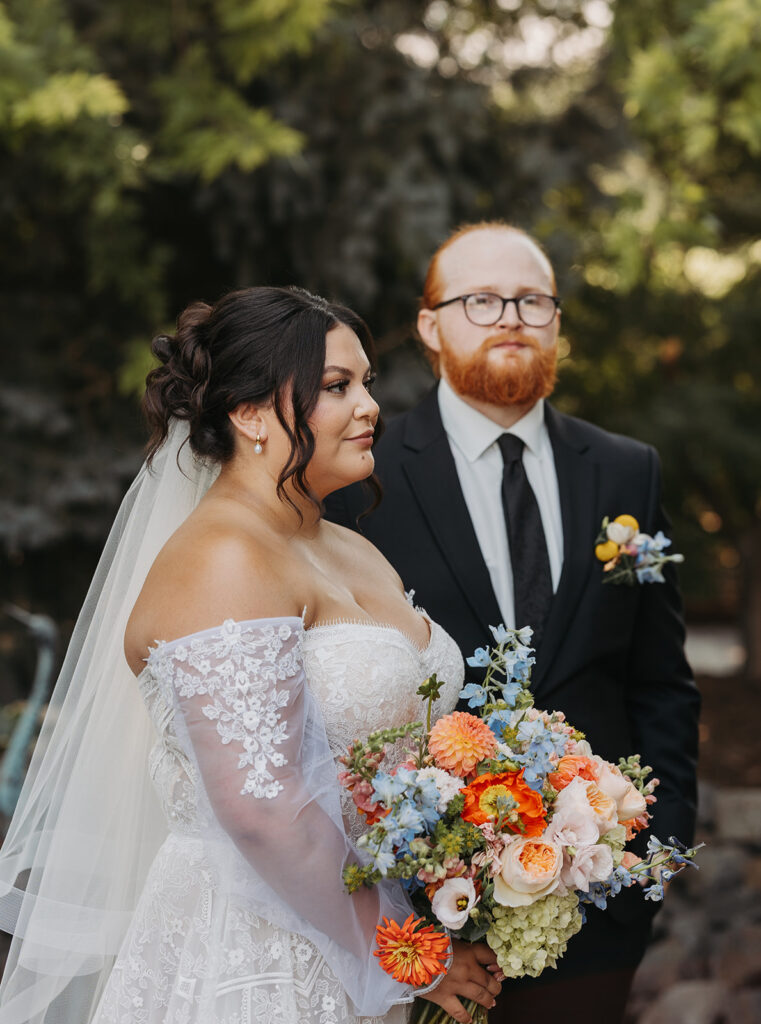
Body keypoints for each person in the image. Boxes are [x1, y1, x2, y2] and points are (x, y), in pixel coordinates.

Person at [0, 286, 504, 1024]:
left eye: (365, 383)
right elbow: (261, 810)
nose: (369, 407)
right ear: (248, 413)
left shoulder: (349, 547)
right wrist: (411, 954)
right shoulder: (224, 558)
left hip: (366, 928)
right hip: (259, 954)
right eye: (337, 387)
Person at [325, 223, 701, 1023]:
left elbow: (661, 682)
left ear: (556, 322)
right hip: (424, 919)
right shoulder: (359, 477)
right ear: (430, 326)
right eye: (480, 299)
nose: (510, 318)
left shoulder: (628, 469)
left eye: (532, 301)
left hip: (598, 914)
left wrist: (648, 862)